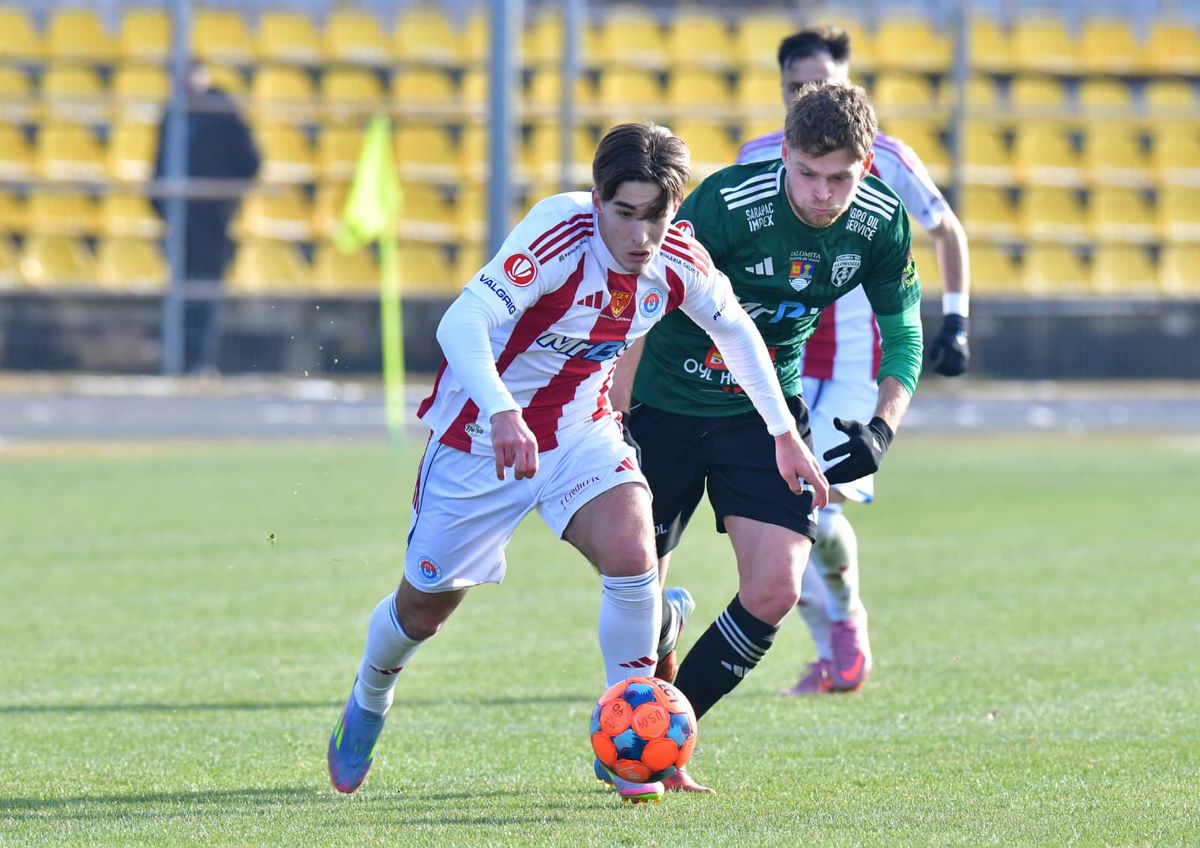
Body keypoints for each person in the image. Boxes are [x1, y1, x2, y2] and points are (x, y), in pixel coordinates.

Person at [326, 122, 829, 805]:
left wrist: (783, 433)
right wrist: (503, 409)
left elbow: (736, 332)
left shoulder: (679, 258)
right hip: (482, 438)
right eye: (624, 213)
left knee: (632, 548)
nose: (640, 234)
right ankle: (369, 697)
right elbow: (460, 325)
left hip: (581, 432)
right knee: (422, 610)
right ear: (596, 199)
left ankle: (630, 750)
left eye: (656, 215)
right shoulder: (558, 235)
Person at [611, 82, 923, 790]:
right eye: (807, 174)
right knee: (639, 598)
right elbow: (641, 305)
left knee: (776, 588)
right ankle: (657, 658)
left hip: (766, 411)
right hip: (667, 402)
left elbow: (903, 329)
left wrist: (883, 427)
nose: (821, 193)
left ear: (866, 166)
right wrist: (619, 415)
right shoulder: (724, 205)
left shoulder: (879, 224)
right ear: (784, 154)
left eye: (839, 176)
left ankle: (663, 737)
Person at [735, 27, 972, 695]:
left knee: (813, 504)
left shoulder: (886, 157)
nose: (809, 96)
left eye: (824, 84)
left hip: (852, 364)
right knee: (767, 512)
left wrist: (954, 318)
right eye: (796, 87)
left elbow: (946, 228)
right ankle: (832, 642)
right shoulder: (758, 157)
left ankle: (846, 633)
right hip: (773, 359)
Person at [152, 59, 259, 374]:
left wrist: (224, 200)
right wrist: (161, 206)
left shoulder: (223, 112)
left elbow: (250, 161)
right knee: (181, 289)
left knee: (206, 291)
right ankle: (179, 358)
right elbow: (157, 164)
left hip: (211, 220)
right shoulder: (173, 114)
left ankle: (199, 359)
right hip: (180, 219)